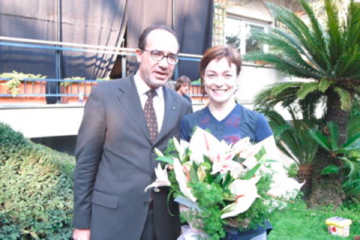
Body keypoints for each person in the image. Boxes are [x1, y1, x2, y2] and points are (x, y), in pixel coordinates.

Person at [72, 24, 192, 240]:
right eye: (157, 54)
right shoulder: (105, 95)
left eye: (171, 57)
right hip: (113, 222)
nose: (164, 64)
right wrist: (82, 225)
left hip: (163, 226)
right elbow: (86, 165)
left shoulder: (181, 105)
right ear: (139, 54)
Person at [180, 46, 285, 240]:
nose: (219, 83)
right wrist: (193, 213)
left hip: (248, 231)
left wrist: (249, 210)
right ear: (202, 76)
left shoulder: (256, 121)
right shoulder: (189, 123)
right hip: (206, 229)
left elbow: (275, 175)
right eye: (211, 75)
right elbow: (182, 179)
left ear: (237, 77)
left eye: (227, 75)